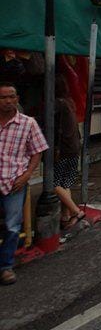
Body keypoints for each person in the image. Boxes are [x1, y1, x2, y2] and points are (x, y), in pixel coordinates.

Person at [0, 82, 48, 285]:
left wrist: (27, 175)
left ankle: (5, 267)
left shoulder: (28, 123)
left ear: (17, 99)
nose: (8, 101)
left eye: (12, 96)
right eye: (3, 97)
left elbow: (38, 150)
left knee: (12, 226)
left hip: (14, 181)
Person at [54, 76, 83, 231]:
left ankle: (75, 211)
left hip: (63, 149)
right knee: (65, 182)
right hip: (74, 147)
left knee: (53, 183)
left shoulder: (57, 104)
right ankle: (65, 216)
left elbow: (53, 126)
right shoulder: (70, 102)